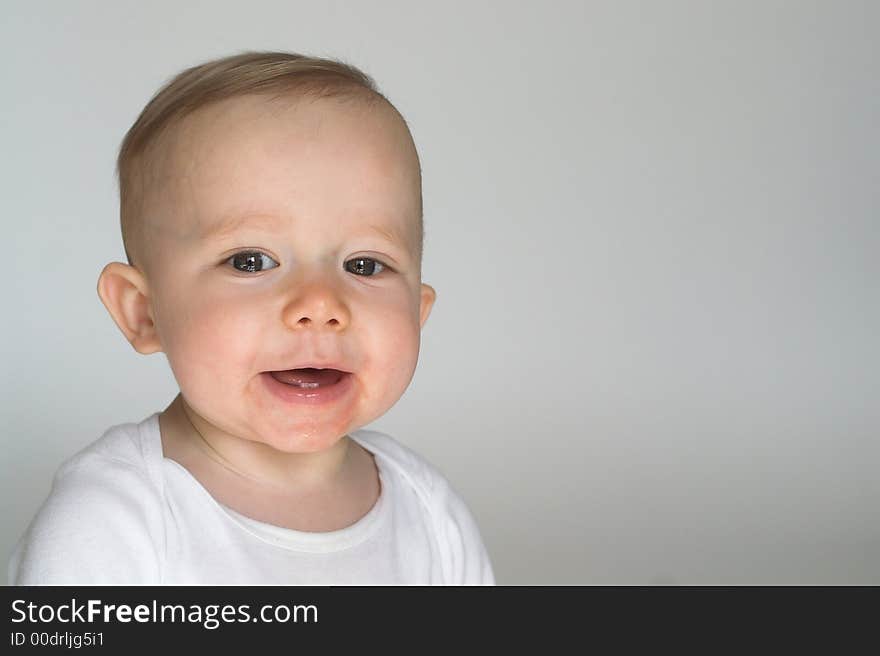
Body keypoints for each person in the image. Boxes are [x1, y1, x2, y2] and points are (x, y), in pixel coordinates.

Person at [8, 51, 495, 585]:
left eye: (364, 264)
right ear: (143, 312)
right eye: (250, 261)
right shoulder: (111, 524)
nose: (320, 304)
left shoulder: (427, 511)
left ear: (417, 312)